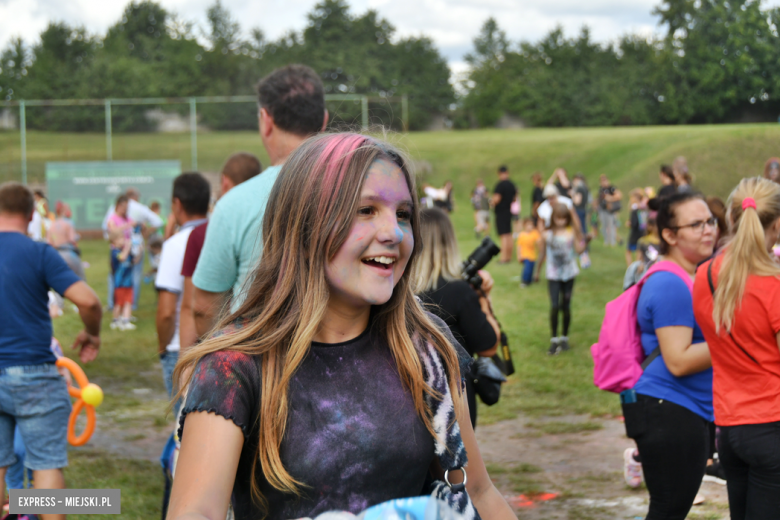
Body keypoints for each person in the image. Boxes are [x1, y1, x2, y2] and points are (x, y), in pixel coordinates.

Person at [168, 133, 516, 520]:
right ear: (303, 224)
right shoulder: (234, 364)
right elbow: (195, 512)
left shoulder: (426, 346)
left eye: (403, 214)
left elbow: (479, 491)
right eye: (365, 210)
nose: (394, 233)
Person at [192, 64, 328, 337]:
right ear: (323, 121)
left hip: (258, 365)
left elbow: (204, 308)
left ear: (266, 120)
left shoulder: (234, 204)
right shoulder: (359, 194)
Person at [0, 182, 102, 520]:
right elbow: (88, 300)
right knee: (45, 468)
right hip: (36, 375)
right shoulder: (40, 252)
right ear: (32, 215)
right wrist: (91, 333)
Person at [621, 191, 716, 519]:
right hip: (669, 410)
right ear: (669, 235)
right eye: (696, 224)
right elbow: (678, 359)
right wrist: (736, 342)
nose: (708, 230)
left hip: (678, 409)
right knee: (668, 511)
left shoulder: (685, 275)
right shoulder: (670, 282)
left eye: (710, 221)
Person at [693, 177, 780, 520]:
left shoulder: (706, 275)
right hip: (771, 423)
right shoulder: (773, 285)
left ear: (730, 219)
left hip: (729, 428)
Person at [413, 207, 501, 429]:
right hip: (455, 400)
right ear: (449, 243)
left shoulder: (398, 292)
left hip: (409, 396)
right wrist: (483, 300)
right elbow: (488, 347)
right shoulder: (459, 292)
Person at [179, 153, 262, 352]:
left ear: (225, 181)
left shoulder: (202, 233)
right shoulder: (274, 213)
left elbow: (195, 306)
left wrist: (187, 360)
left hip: (225, 343)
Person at [155, 173, 210, 409]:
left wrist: (163, 346)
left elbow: (167, 310)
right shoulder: (220, 235)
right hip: (216, 341)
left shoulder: (175, 244)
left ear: (177, 204)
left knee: (184, 429)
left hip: (181, 347)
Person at [537, 203, 588, 355]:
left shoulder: (571, 232)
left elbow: (579, 250)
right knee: (554, 305)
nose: (560, 221)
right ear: (553, 218)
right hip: (553, 274)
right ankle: (554, 339)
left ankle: (564, 338)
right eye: (558, 218)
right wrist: (537, 272)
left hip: (569, 273)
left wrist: (586, 241)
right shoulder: (547, 234)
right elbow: (542, 254)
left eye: (564, 218)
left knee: (566, 305)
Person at [102, 188, 164, 310]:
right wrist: (142, 232)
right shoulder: (138, 209)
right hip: (126, 250)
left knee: (121, 277)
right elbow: (158, 221)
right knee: (127, 277)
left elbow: (106, 229)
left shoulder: (120, 213)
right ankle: (124, 305)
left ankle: (121, 305)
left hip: (126, 249)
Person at [48, 201, 84, 280]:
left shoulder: (52, 225)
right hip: (69, 254)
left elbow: (50, 242)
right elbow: (72, 239)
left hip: (57, 256)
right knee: (80, 280)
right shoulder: (68, 223)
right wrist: (78, 236)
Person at [109, 229, 137, 331]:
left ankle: (125, 320)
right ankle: (116, 320)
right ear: (114, 241)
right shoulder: (115, 252)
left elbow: (135, 260)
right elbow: (122, 258)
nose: (123, 240)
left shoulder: (124, 251)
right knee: (119, 303)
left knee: (128, 302)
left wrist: (139, 249)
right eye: (121, 238)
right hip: (119, 283)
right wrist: (128, 247)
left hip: (128, 282)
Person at [492, 165, 517, 264]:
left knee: (503, 235)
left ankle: (503, 258)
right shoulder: (512, 184)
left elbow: (496, 199)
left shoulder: (500, 185)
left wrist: (491, 202)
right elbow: (515, 198)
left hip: (501, 212)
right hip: (508, 211)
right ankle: (509, 256)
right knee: (509, 234)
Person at [572, 173, 591, 268]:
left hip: (578, 211)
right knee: (583, 229)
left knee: (580, 230)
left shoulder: (579, 189)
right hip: (583, 210)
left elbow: (577, 201)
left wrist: (572, 195)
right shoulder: (585, 188)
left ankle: (582, 249)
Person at [597, 175, 622, 246]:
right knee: (604, 225)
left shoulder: (611, 188)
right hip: (602, 209)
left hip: (610, 210)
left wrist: (610, 198)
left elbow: (619, 195)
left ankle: (612, 242)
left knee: (611, 226)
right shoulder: (601, 189)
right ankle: (606, 241)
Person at [516, 217, 541, 287]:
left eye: (531, 225)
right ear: (524, 225)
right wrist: (519, 255)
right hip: (525, 255)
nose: (530, 227)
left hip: (533, 256)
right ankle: (524, 280)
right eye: (528, 225)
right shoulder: (522, 235)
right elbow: (519, 246)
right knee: (527, 268)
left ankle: (529, 280)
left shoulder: (535, 233)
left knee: (531, 268)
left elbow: (539, 242)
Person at [625, 189, 647, 266]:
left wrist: (629, 223)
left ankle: (631, 267)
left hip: (635, 234)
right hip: (643, 232)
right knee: (640, 251)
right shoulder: (643, 209)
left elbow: (634, 223)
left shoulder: (634, 210)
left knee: (628, 251)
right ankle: (638, 266)